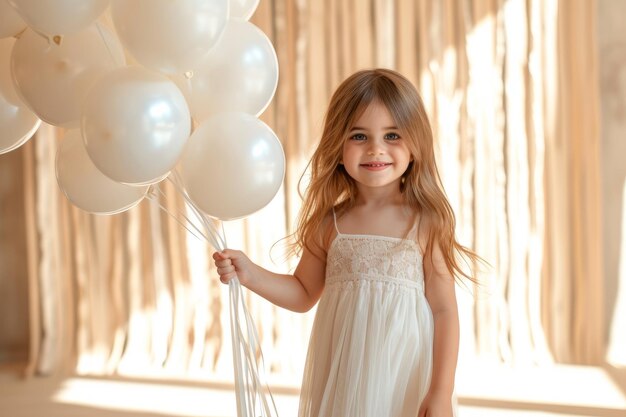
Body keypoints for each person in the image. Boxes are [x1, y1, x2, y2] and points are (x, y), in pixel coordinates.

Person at [212, 68, 479, 417]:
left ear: (416, 145)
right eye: (358, 136)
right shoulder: (330, 224)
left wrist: (441, 391)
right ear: (337, 147)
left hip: (403, 375)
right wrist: (251, 274)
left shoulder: (425, 222)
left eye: (392, 135)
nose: (376, 149)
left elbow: (444, 311)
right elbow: (303, 292)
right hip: (345, 376)